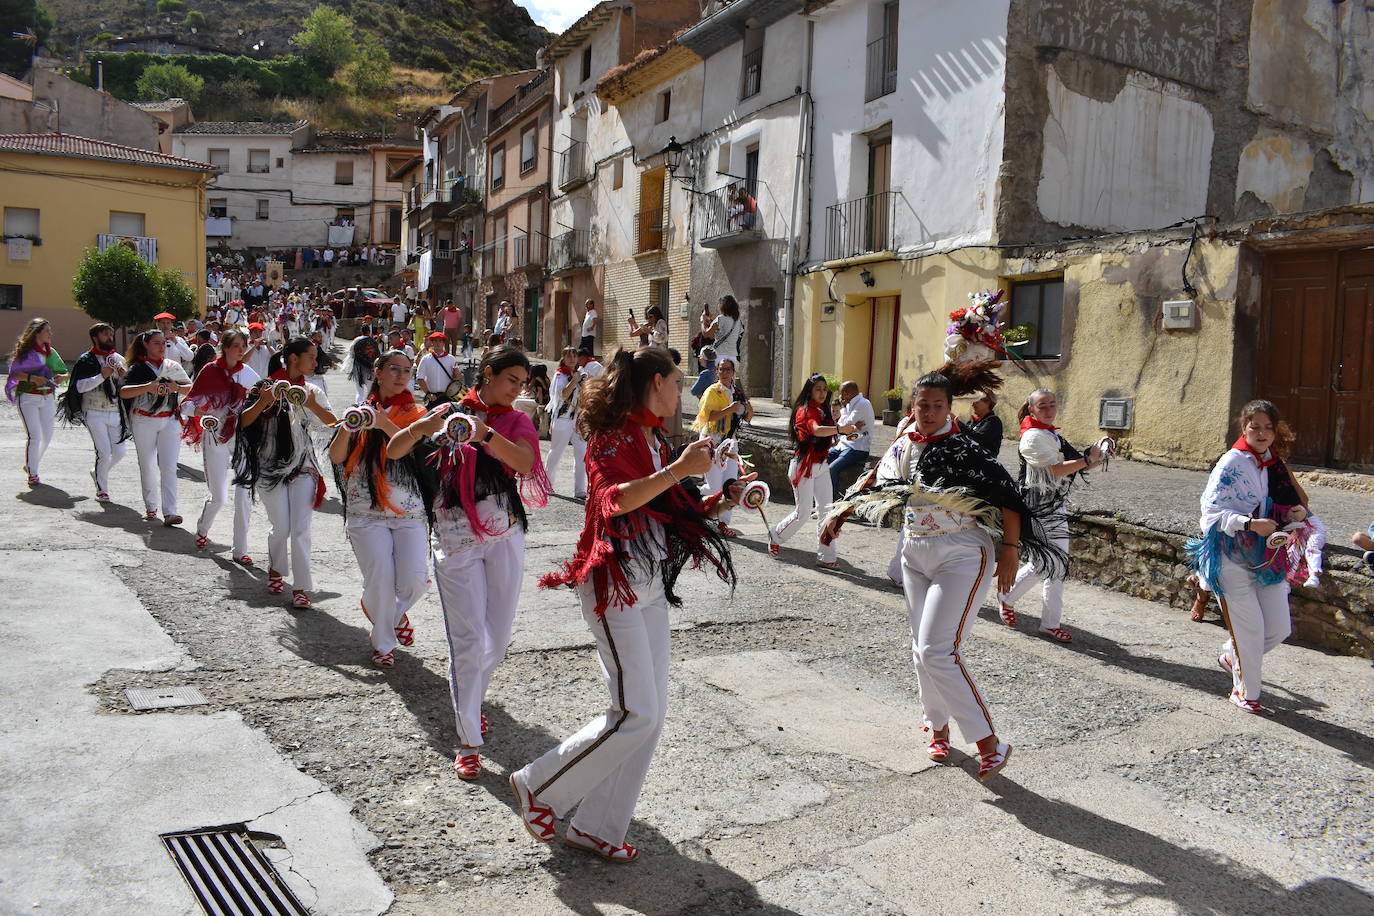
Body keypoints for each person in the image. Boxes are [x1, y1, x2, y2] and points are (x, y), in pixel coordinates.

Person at [512, 346, 744, 862]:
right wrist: (679, 468)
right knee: (635, 712)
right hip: (612, 582)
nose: (680, 394)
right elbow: (612, 500)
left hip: (648, 586)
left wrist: (722, 499)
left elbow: (671, 507)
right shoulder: (611, 436)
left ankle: (598, 827)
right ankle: (538, 786)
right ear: (656, 381)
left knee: (649, 715)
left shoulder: (654, 437)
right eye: (677, 383)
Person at [820, 361, 1064, 780]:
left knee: (937, 649)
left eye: (937, 405)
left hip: (962, 553)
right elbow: (879, 476)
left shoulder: (965, 448)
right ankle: (937, 727)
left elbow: (1006, 494)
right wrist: (841, 511)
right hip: (916, 553)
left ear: (950, 409)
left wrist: (1009, 550)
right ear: (912, 407)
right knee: (922, 650)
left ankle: (989, 742)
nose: (928, 412)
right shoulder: (903, 443)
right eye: (922, 405)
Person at [387, 344, 550, 779]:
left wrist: (485, 435)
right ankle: (467, 741)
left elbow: (526, 462)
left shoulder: (514, 420)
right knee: (467, 640)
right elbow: (395, 450)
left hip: (504, 533)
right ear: (489, 374)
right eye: (510, 381)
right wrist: (427, 423)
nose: (516, 391)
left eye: (522, 385)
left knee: (497, 636)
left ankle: (473, 699)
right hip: (455, 535)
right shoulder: (449, 411)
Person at [1186, 401, 1301, 713]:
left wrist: (1294, 511)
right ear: (1244, 428)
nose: (1262, 433)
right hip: (1229, 553)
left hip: (1267, 556)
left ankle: (1230, 657)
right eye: (1255, 426)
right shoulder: (1232, 462)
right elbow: (1209, 513)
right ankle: (1245, 692)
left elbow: (1285, 499)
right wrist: (1249, 523)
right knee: (1249, 630)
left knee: (1278, 628)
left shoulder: (1273, 463)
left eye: (1268, 427)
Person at [330, 349, 434, 668]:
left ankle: (386, 612)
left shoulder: (418, 413)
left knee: (416, 580)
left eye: (408, 370)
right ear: (377, 372)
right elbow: (336, 458)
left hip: (409, 510)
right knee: (381, 577)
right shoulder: (357, 411)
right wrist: (350, 426)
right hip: (365, 510)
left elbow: (417, 455)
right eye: (394, 369)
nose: (402, 375)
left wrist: (385, 423)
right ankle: (384, 643)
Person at [234, 337, 337, 608]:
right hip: (269, 466)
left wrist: (312, 405)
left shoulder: (312, 390)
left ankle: (301, 588)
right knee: (281, 527)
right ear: (293, 358)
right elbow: (244, 422)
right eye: (311, 357)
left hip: (303, 465)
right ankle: (276, 568)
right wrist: (264, 401)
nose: (316, 362)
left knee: (301, 529)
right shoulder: (264, 386)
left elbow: (332, 423)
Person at [996, 389, 1104, 643]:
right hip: (1037, 505)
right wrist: (1088, 458)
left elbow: (1078, 462)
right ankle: (1046, 621)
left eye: (1052, 405)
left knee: (1051, 562)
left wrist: (1099, 453)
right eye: (1042, 406)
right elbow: (1056, 470)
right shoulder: (1032, 437)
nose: (1049, 409)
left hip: (1052, 503)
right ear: (1031, 409)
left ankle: (1012, 599)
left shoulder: (1050, 433)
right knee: (1054, 562)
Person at [183, 330, 260, 561]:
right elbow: (187, 404)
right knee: (218, 496)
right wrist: (201, 413)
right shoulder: (210, 371)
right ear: (225, 347)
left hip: (243, 437)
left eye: (243, 345)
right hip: (215, 435)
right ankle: (203, 528)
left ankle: (240, 550)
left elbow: (262, 400)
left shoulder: (248, 374)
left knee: (244, 494)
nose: (240, 349)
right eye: (235, 345)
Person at [770, 374, 859, 568]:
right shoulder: (804, 410)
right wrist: (840, 429)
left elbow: (824, 435)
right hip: (804, 467)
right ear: (810, 390)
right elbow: (816, 430)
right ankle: (775, 535)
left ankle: (826, 556)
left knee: (827, 511)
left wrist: (842, 432)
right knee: (802, 513)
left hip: (821, 465)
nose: (822, 392)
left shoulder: (823, 410)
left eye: (824, 389)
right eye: (818, 388)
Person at [120, 330, 192, 524]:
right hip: (144, 420)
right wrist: (148, 386)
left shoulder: (172, 366)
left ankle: (170, 512)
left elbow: (192, 389)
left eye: (164, 343)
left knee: (169, 466)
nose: (161, 347)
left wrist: (177, 387)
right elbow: (124, 392)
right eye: (156, 343)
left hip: (169, 419)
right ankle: (151, 507)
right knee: (148, 464)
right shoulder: (138, 368)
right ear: (146, 345)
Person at [58, 322, 126, 501]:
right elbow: (79, 386)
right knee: (103, 452)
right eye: (105, 335)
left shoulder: (118, 358)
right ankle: (102, 490)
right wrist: (101, 375)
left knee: (119, 452)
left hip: (115, 410)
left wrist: (123, 375)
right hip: (93, 411)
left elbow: (125, 384)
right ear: (95, 338)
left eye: (111, 335)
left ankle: (97, 472)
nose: (110, 338)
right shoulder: (86, 359)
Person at [692, 357, 752, 537]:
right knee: (714, 486)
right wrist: (730, 409)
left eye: (728, 369)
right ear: (717, 372)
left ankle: (723, 523)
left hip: (730, 444)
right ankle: (694, 499)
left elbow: (747, 419)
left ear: (734, 372)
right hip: (712, 442)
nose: (725, 373)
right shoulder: (712, 391)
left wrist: (748, 408)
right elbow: (707, 417)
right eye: (722, 369)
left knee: (729, 485)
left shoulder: (738, 393)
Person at [7, 318, 68, 487]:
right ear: (37, 333)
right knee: (35, 436)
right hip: (28, 397)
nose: (51, 334)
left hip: (47, 397)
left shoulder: (51, 352)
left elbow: (64, 372)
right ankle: (33, 473)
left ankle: (30, 465)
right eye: (47, 330)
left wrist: (61, 377)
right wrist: (32, 378)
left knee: (47, 436)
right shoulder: (25, 353)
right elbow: (14, 374)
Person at [545, 347, 589, 499]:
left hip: (578, 420)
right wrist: (574, 380)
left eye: (574, 355)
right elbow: (562, 395)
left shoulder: (583, 375)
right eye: (568, 355)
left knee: (582, 454)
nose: (571, 358)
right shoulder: (560, 375)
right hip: (562, 419)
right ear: (563, 358)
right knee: (556, 452)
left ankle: (579, 489)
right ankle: (547, 484)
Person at [826, 381, 875, 495]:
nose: (840, 396)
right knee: (820, 461)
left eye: (841, 393)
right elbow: (841, 425)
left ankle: (830, 502)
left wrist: (847, 424)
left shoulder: (863, 404)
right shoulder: (848, 405)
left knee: (832, 469)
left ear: (846, 393)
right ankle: (819, 497)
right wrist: (848, 424)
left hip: (857, 448)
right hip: (842, 445)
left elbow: (846, 424)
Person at [415, 331, 459, 407]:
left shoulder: (451, 359)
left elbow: (458, 378)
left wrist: (457, 374)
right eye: (435, 341)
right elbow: (419, 378)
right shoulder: (425, 359)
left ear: (443, 343)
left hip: (448, 397)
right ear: (432, 343)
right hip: (432, 397)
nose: (438, 343)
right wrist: (428, 394)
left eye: (440, 341)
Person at [965, 392, 1004, 457]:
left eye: (976, 401)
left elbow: (979, 438)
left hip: (983, 464)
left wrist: (959, 424)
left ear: (987, 403)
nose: (972, 404)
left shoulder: (993, 421)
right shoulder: (972, 422)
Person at [347, 336, 380, 403]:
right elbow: (377, 354)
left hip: (358, 367)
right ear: (368, 331)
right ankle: (371, 406)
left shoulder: (356, 340)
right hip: (370, 368)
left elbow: (351, 352)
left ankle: (359, 406)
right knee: (370, 389)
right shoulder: (372, 341)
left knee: (359, 391)